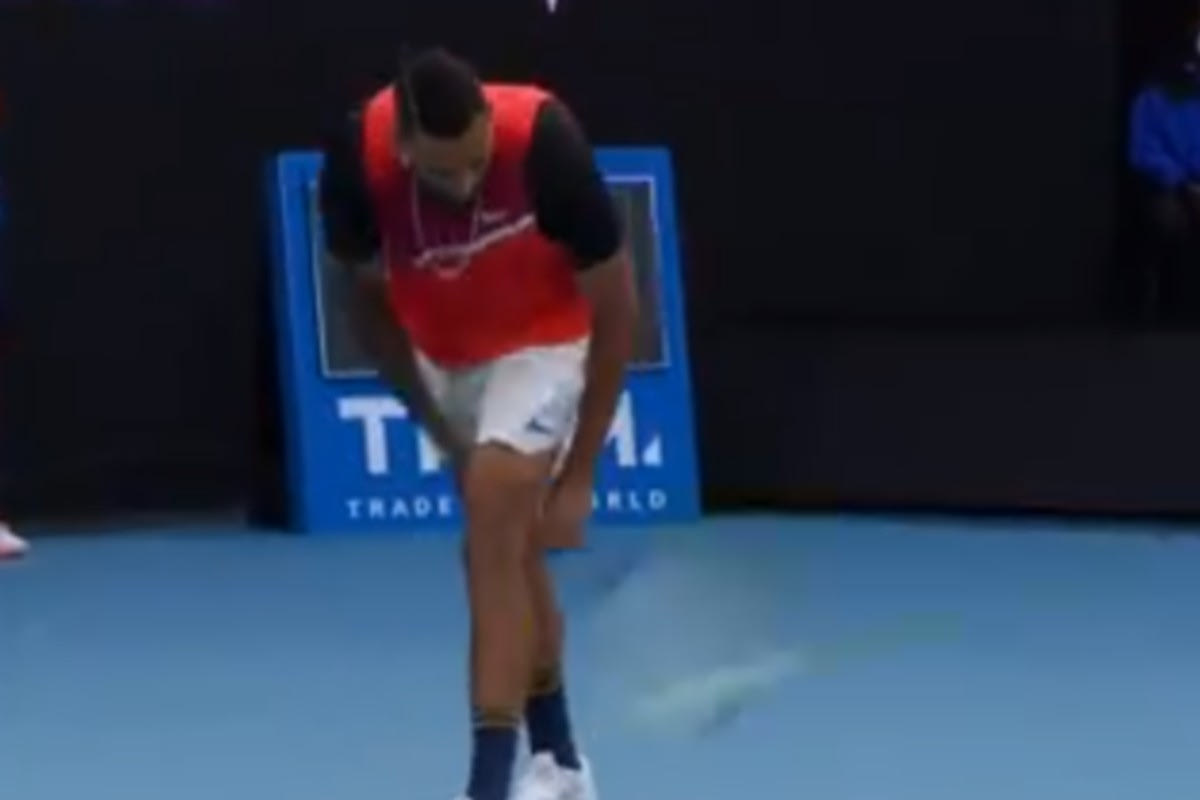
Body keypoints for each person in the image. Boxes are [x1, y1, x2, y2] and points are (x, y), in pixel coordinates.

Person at [318, 47, 636, 800]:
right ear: (404, 148)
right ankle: (561, 762)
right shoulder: (358, 162)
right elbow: (368, 311)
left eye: (474, 164)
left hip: (543, 340)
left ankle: (486, 786)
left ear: (490, 120)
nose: (463, 185)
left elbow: (618, 308)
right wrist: (440, 431)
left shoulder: (546, 142)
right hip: (444, 353)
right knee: (510, 546)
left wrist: (579, 476)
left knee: (489, 536)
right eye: (442, 174)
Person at [1129, 12, 1200, 323]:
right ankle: (1174, 311)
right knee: (1172, 221)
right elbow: (1143, 149)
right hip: (1173, 185)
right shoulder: (1160, 89)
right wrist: (1184, 182)